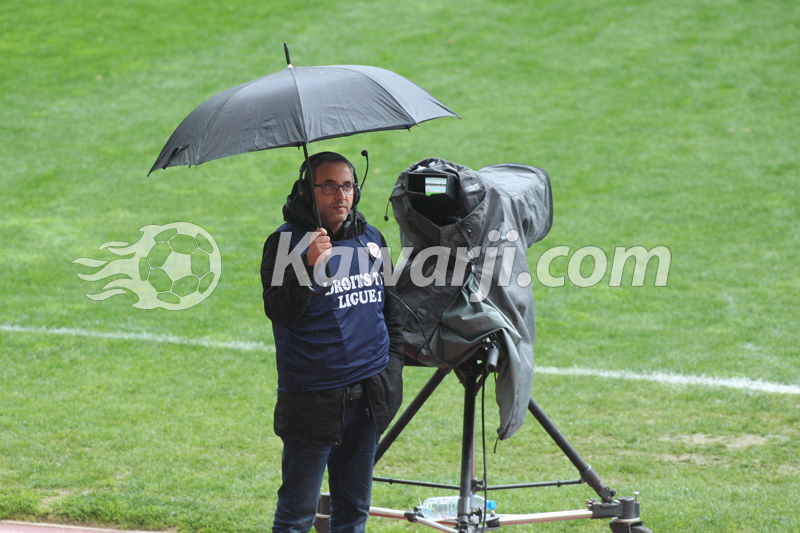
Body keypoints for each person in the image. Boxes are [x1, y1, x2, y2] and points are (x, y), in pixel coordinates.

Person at [260, 151, 404, 533]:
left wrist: (391, 366)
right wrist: (308, 265)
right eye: (328, 186)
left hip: (369, 395)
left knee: (353, 513)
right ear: (308, 192)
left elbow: (393, 311)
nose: (340, 195)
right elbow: (279, 311)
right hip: (314, 399)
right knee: (296, 518)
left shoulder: (371, 237)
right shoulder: (284, 243)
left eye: (347, 186)